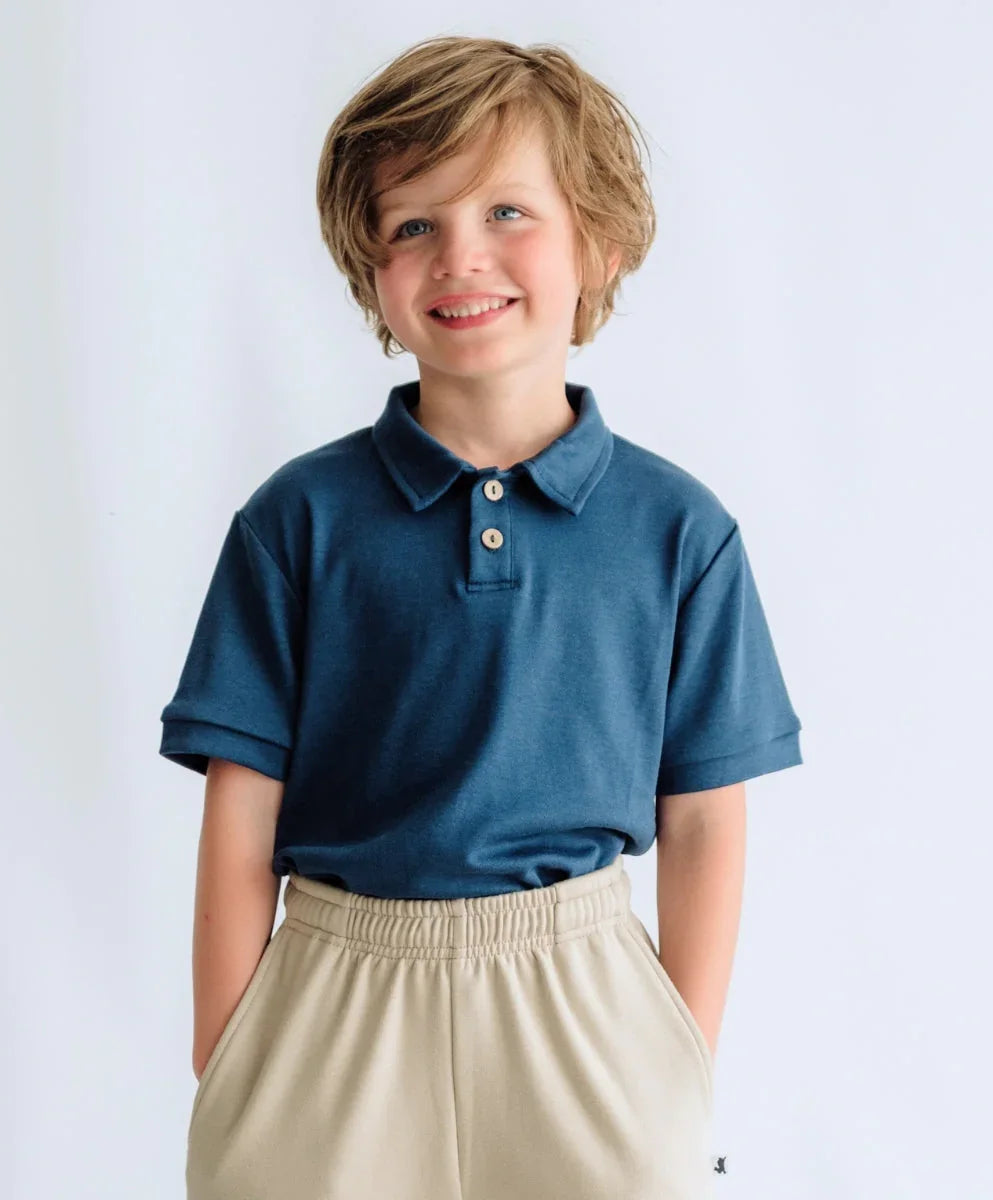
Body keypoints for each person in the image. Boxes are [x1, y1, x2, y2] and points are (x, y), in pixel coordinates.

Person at [159, 34, 803, 1200]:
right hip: (333, 991)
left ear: (598, 244)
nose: (462, 255)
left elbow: (705, 814)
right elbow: (240, 805)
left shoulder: (679, 530)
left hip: (586, 996)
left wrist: (678, 1063)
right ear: (372, 268)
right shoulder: (297, 520)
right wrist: (230, 1049)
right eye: (414, 224)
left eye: (509, 211)